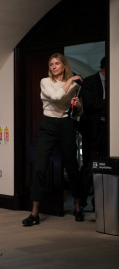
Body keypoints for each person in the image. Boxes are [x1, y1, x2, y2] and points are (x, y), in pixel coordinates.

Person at [22, 53, 84, 226]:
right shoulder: (45, 82)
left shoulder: (74, 87)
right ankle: (34, 213)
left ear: (64, 66)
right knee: (40, 167)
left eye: (57, 63)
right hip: (48, 124)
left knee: (72, 165)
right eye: (51, 64)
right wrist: (70, 81)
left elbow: (77, 112)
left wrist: (78, 106)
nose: (54, 66)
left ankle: (78, 207)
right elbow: (56, 97)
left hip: (65, 124)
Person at [79, 57, 107, 210]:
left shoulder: (114, 83)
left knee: (106, 165)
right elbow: (89, 105)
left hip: (107, 131)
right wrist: (109, 103)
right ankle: (81, 202)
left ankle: (100, 202)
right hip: (91, 130)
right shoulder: (89, 81)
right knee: (89, 165)